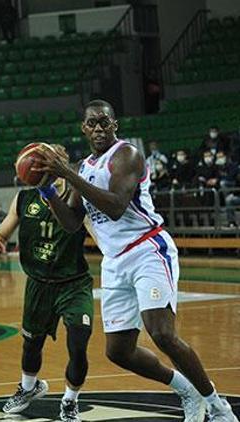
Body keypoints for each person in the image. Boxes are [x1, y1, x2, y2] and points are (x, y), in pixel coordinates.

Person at [34, 99, 238, 422]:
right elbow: (72, 223)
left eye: (105, 122)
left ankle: (217, 407)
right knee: (118, 351)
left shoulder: (126, 155)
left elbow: (116, 206)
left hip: (147, 250)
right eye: (92, 123)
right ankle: (186, 389)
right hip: (114, 261)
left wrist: (67, 175)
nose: (99, 128)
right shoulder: (84, 168)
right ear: (83, 128)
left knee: (162, 334)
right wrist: (48, 192)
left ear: (115, 124)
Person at [0, 145, 92, 422]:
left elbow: (100, 235)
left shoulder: (78, 198)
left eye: (54, 155)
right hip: (38, 283)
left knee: (79, 343)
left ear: (63, 163)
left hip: (74, 283)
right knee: (31, 345)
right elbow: (3, 229)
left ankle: (70, 402)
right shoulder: (24, 198)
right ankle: (28, 388)